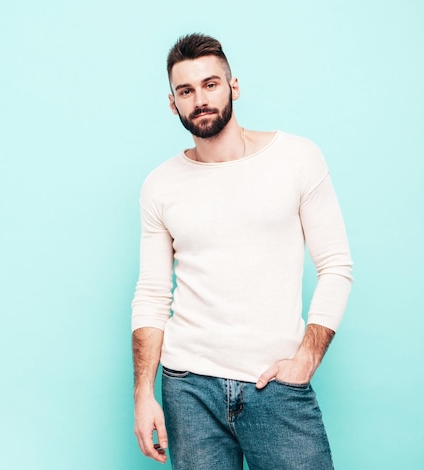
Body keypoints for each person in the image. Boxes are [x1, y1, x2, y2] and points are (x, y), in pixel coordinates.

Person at [131, 33, 353, 469]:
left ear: (234, 87)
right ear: (173, 103)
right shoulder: (160, 185)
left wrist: (305, 359)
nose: (200, 99)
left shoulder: (297, 158)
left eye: (210, 84)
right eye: (186, 90)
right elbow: (153, 295)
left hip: (274, 384)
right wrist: (143, 395)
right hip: (188, 390)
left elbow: (336, 266)